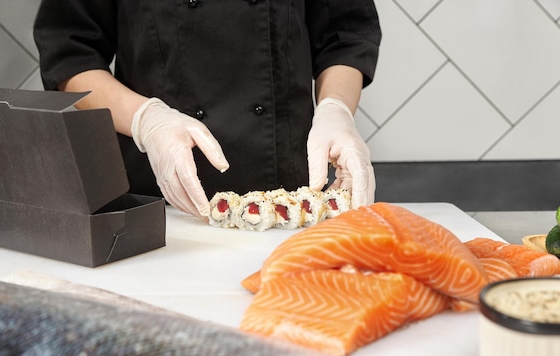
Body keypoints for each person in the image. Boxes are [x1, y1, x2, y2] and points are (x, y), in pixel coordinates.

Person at [34, 1, 381, 219]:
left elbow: (345, 36)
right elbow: (70, 56)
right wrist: (146, 120)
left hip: (290, 206)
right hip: (159, 205)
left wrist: (336, 110)